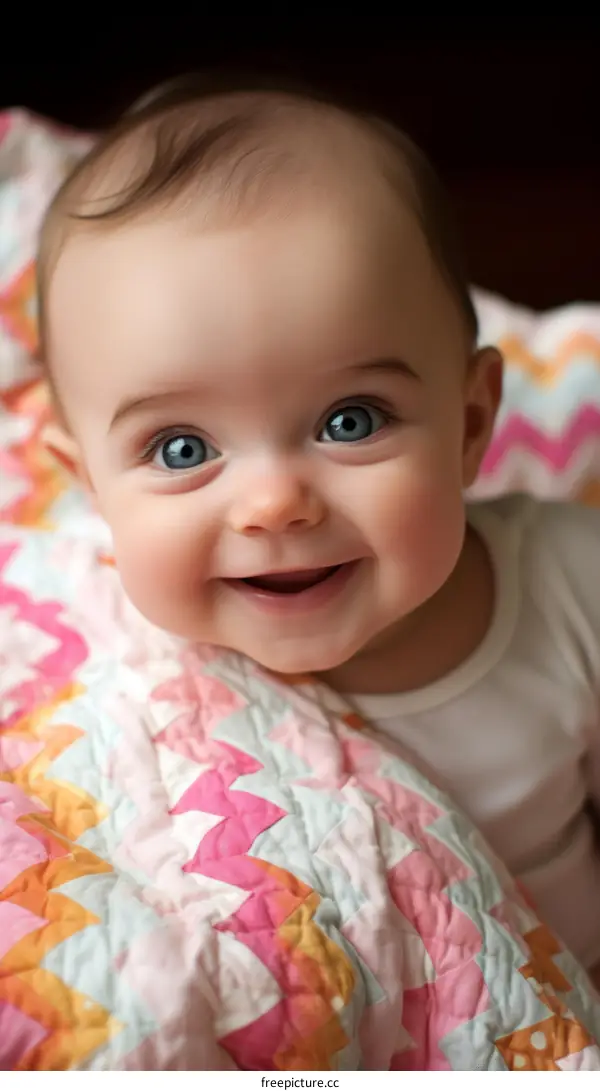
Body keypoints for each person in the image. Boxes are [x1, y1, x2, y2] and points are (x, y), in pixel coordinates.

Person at [36, 73, 600, 982]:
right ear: (92, 485)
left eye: (351, 420)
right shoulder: (92, 682)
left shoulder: (576, 588)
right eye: (182, 448)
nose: (274, 504)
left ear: (468, 426)